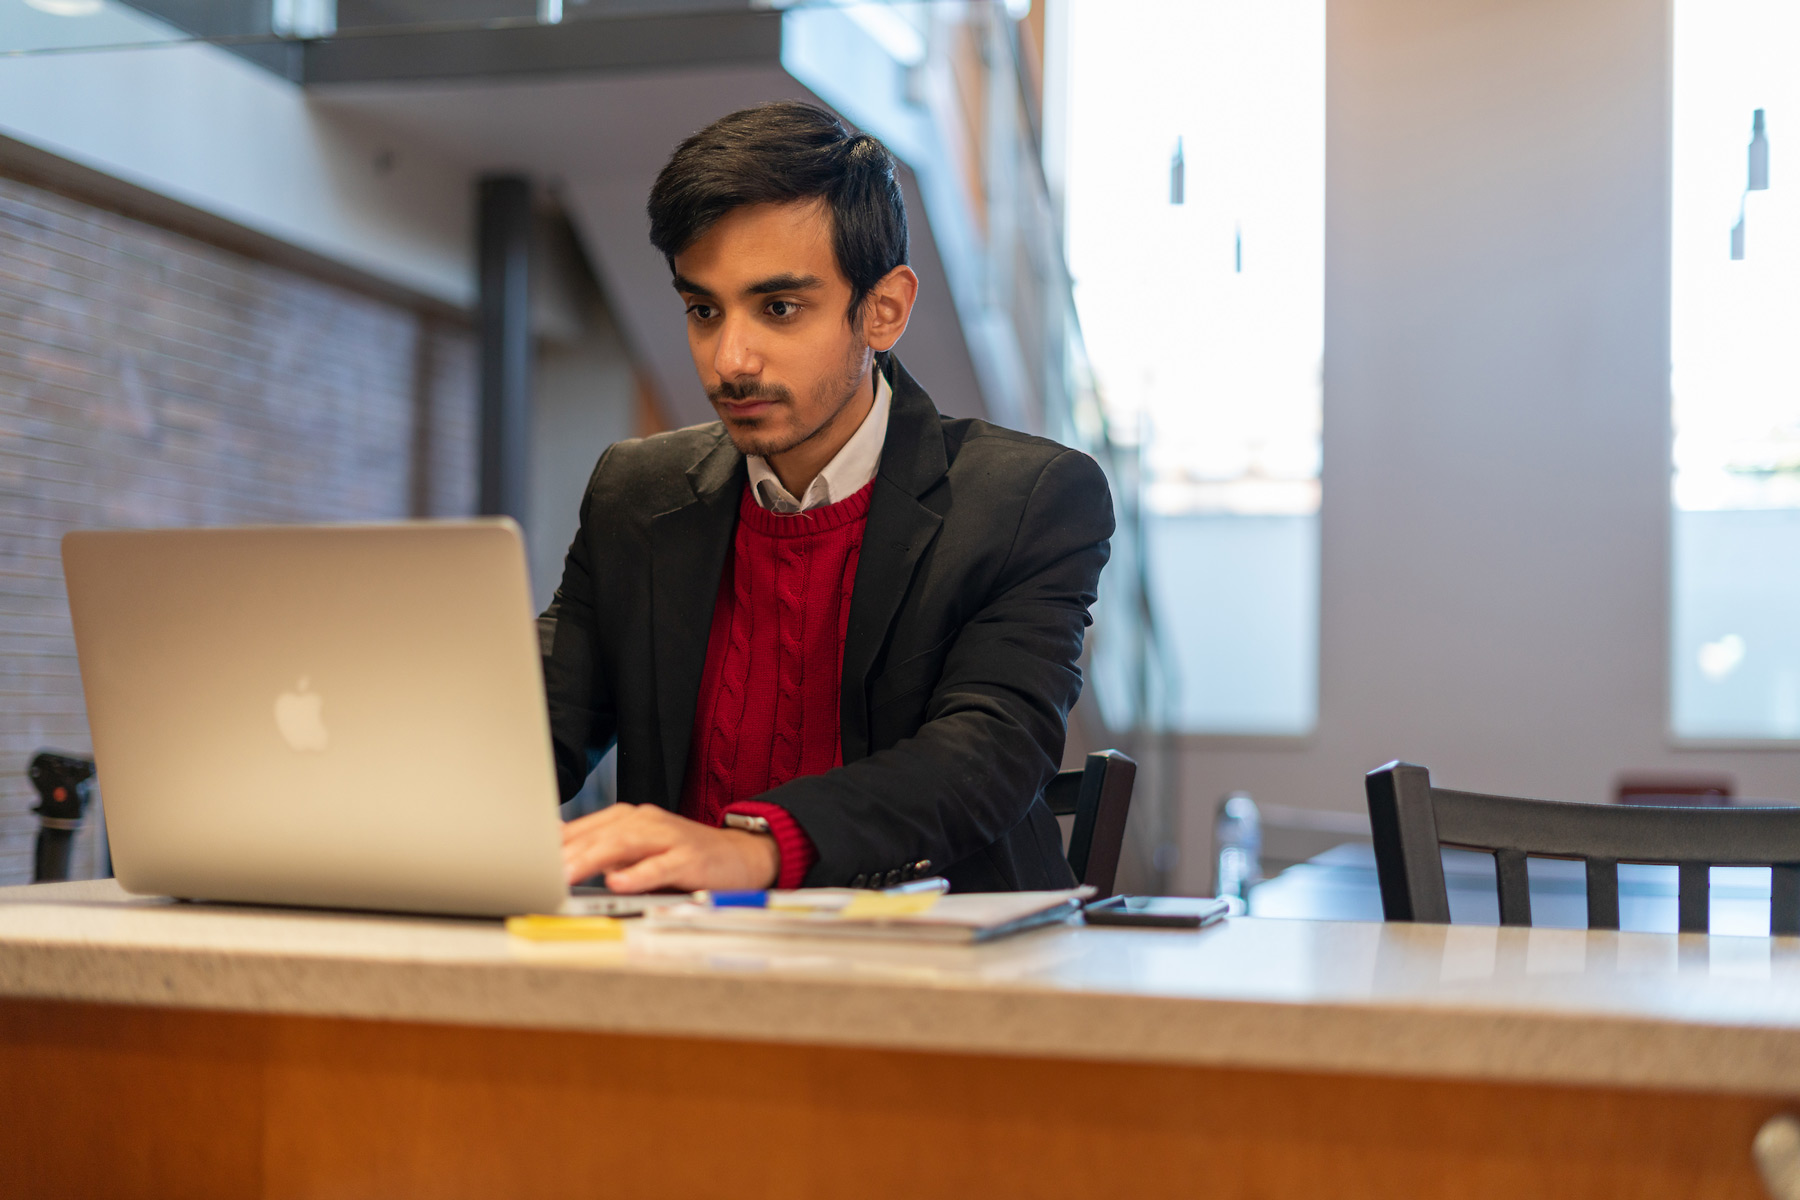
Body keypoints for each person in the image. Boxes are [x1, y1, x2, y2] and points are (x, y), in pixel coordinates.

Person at [543, 102, 1113, 894]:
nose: (729, 360)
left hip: (938, 974)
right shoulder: (635, 495)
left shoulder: (1028, 499)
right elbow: (536, 728)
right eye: (703, 310)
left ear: (884, 310)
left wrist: (756, 848)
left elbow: (988, 752)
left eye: (778, 308)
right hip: (682, 962)